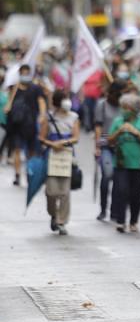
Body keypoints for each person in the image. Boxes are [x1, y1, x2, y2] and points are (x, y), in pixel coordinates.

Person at [39, 89, 80, 237]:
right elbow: (41, 138)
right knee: (51, 191)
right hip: (51, 156)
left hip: (67, 156)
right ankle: (53, 214)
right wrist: (52, 144)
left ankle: (61, 221)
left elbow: (76, 137)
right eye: (64, 99)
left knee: (64, 191)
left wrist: (65, 142)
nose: (67, 101)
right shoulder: (49, 117)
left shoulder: (74, 117)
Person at [109, 93, 140, 234]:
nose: (123, 110)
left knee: (135, 194)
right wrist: (119, 131)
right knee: (121, 191)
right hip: (121, 163)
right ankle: (120, 220)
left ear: (133, 109)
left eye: (126, 108)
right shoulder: (118, 121)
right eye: (122, 107)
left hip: (138, 163)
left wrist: (135, 132)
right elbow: (108, 140)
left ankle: (134, 221)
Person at [4, 63, 47, 185]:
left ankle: (30, 172)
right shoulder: (14, 88)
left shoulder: (36, 88)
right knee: (17, 149)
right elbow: (8, 104)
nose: (25, 75)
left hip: (31, 125)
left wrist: (42, 115)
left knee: (31, 152)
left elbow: (41, 101)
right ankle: (17, 174)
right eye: (22, 73)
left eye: (26, 73)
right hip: (17, 124)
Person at [94, 80, 124, 222]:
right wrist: (97, 146)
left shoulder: (124, 106)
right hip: (106, 144)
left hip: (121, 146)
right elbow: (98, 126)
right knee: (107, 175)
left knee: (119, 180)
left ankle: (115, 210)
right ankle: (103, 208)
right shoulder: (102, 105)